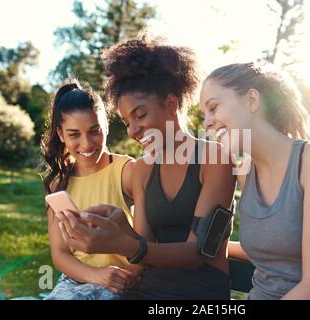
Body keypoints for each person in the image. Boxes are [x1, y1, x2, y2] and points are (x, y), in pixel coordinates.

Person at [55, 37, 236, 299]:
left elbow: (199, 253)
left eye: (140, 115)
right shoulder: (143, 169)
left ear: (171, 105)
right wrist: (119, 226)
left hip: (198, 292)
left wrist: (122, 243)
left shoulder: (215, 159)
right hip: (146, 288)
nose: (133, 131)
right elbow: (145, 248)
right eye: (127, 121)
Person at [199, 63, 310, 300]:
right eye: (204, 115)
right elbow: (277, 248)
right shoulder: (244, 172)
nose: (206, 122)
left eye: (213, 108)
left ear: (251, 100)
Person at [40, 80, 141, 300]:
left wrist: (127, 277)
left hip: (120, 282)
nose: (86, 144)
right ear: (60, 133)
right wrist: (95, 275)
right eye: (74, 134)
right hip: (77, 279)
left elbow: (149, 241)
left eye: (94, 131)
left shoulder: (127, 171)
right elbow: (59, 253)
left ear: (105, 125)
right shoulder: (59, 185)